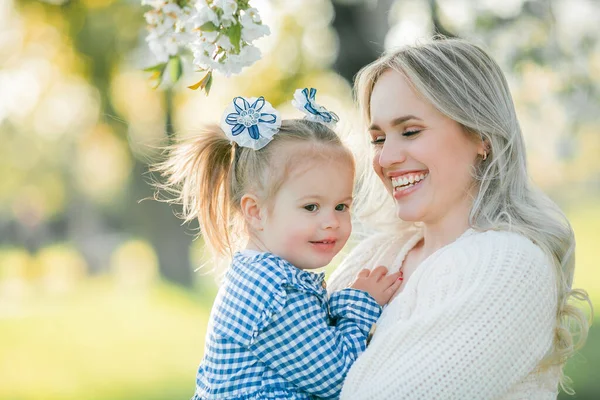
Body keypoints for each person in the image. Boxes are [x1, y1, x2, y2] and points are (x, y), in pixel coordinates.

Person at [327, 38, 592, 399]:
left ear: (481, 135)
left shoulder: (510, 264)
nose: (386, 158)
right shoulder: (373, 258)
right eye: (377, 138)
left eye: (410, 131)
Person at [154, 89, 403, 400]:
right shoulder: (275, 293)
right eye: (311, 207)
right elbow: (338, 379)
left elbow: (311, 342)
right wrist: (360, 305)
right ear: (256, 212)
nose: (332, 221)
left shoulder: (264, 276)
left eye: (342, 206)